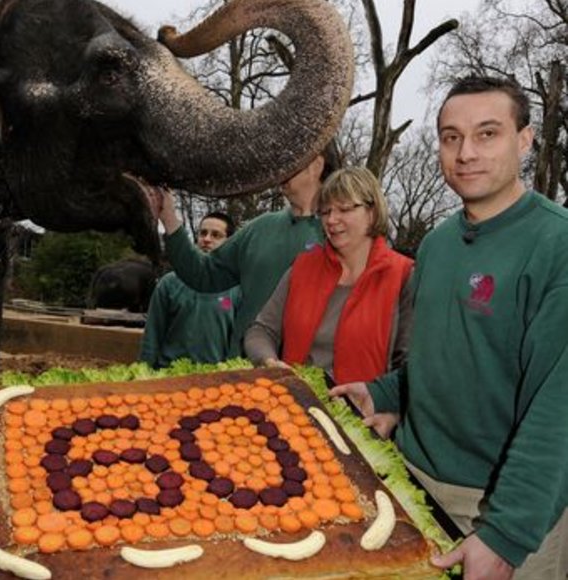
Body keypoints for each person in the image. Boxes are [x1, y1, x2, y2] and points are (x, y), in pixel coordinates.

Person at [331, 76, 568, 579]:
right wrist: (387, 392)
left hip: (504, 509)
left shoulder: (557, 245)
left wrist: (506, 536)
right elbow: (442, 356)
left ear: (525, 140)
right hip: (411, 484)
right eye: (450, 136)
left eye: (487, 134)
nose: (465, 152)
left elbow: (560, 408)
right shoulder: (436, 245)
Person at [142, 145, 340, 349]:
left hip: (306, 373)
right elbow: (204, 273)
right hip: (245, 372)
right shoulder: (261, 227)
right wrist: (169, 217)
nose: (280, 167)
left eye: (291, 158)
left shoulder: (341, 236)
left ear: (315, 166)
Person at [245, 167, 414, 387]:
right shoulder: (302, 267)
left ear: (371, 213)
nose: (332, 220)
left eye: (344, 209)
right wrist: (269, 362)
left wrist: (389, 406)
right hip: (296, 408)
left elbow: (409, 364)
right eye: (325, 211)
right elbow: (261, 330)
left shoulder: (404, 275)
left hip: (365, 416)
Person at [140, 211, 242, 368]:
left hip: (214, 382)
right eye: (203, 233)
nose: (207, 239)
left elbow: (239, 343)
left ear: (230, 243)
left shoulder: (237, 289)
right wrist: (143, 373)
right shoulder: (169, 283)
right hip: (169, 376)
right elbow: (152, 335)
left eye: (216, 235)